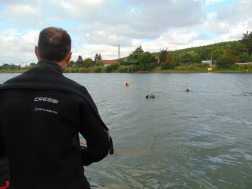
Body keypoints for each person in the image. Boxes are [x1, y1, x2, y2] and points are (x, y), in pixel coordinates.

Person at [0, 27, 113, 189]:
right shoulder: (76, 93)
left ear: (36, 52)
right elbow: (101, 147)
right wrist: (79, 157)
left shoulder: (5, 91)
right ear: (69, 57)